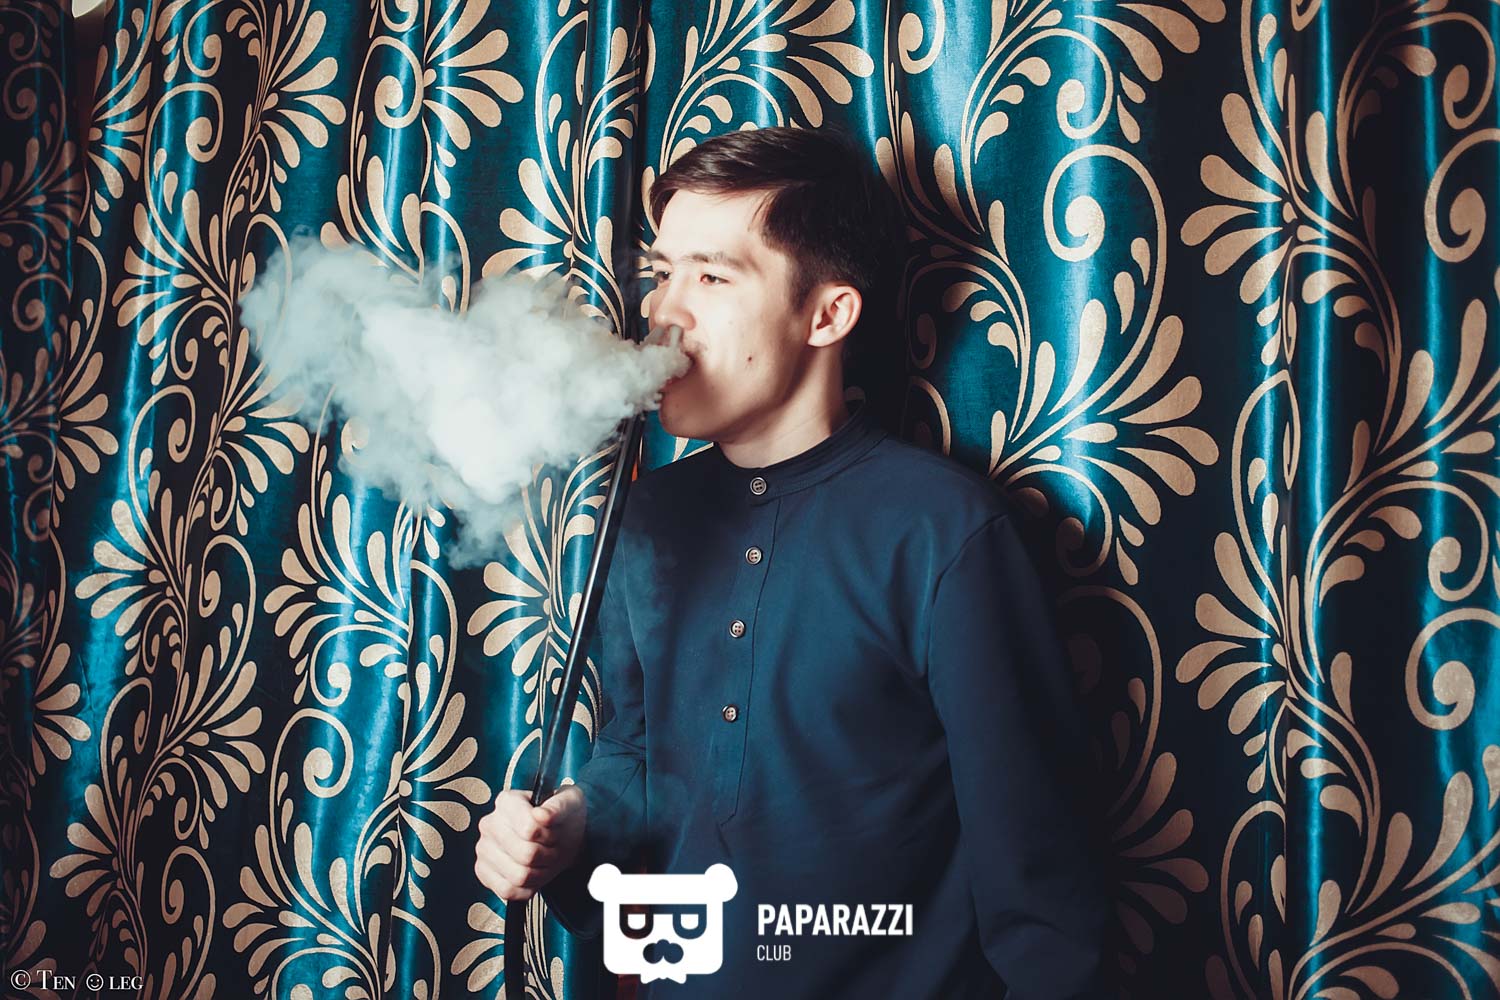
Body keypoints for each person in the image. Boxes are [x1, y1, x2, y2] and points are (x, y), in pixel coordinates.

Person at [472, 126, 1110, 998]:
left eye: (712, 277)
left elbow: (1040, 888)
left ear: (827, 314)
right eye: (663, 273)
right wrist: (568, 827)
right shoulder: (647, 516)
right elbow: (638, 755)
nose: (665, 313)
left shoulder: (945, 530)